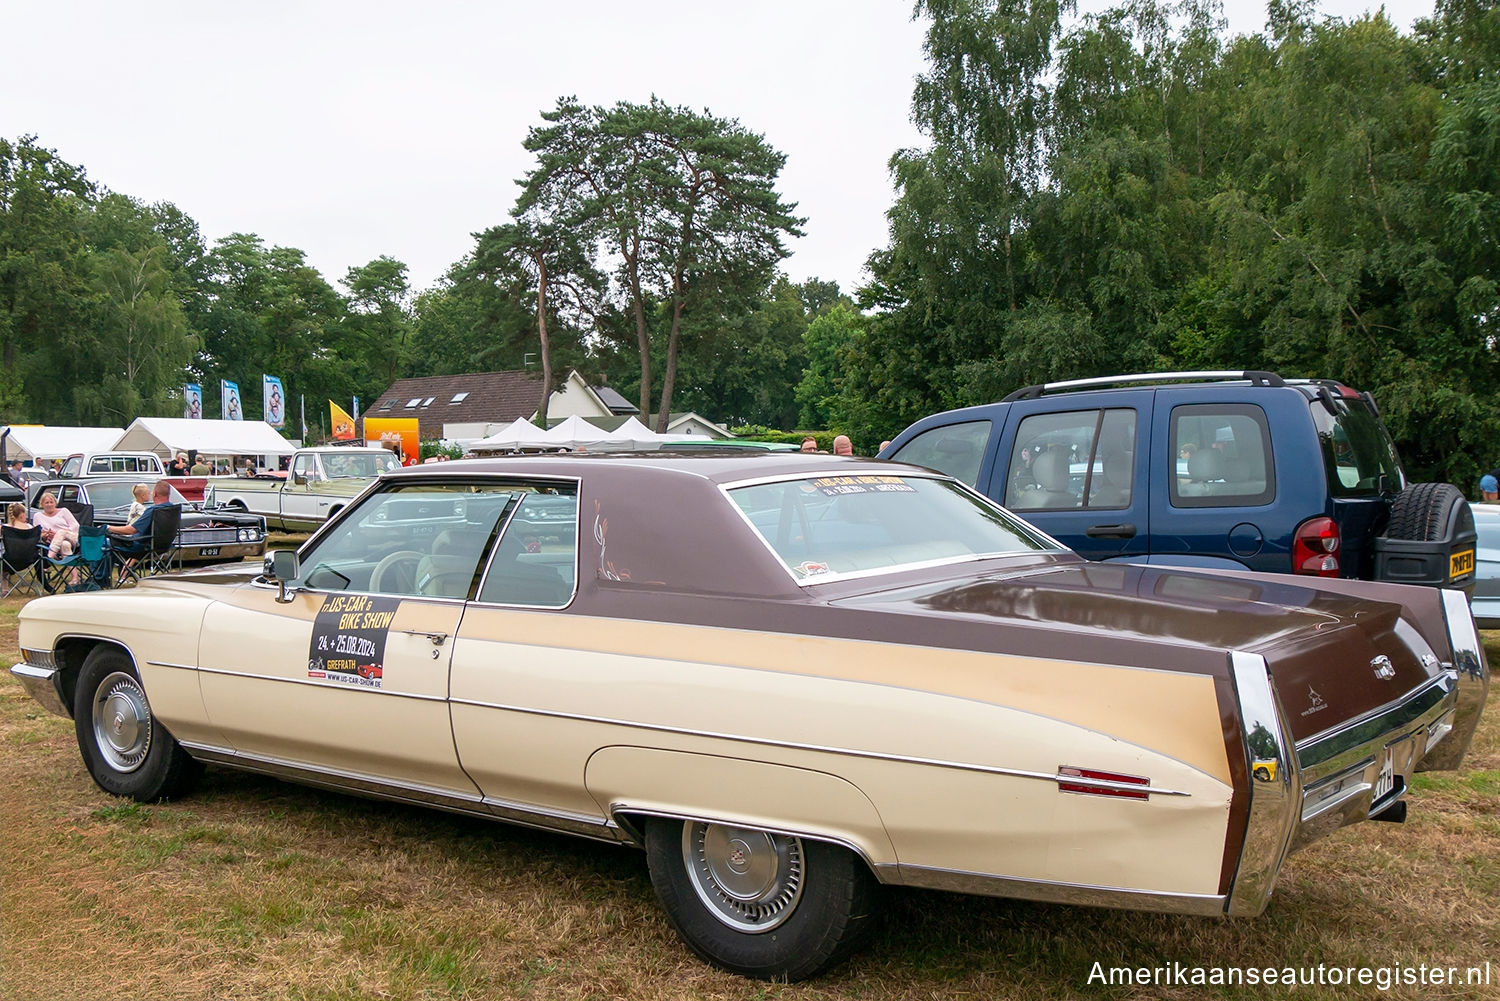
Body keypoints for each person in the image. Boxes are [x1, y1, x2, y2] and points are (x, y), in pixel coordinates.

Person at [108, 481, 174, 550]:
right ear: (169, 494)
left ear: (154, 494)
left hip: (141, 546)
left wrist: (108, 528)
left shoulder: (152, 510)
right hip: (165, 546)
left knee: (105, 543)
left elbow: (132, 530)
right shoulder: (173, 509)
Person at [34, 490, 80, 559]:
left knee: (61, 532)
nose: (49, 504)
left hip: (72, 537)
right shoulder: (38, 516)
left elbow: (76, 526)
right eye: (46, 503)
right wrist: (45, 535)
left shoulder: (63, 511)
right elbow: (37, 533)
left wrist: (58, 534)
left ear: (55, 503)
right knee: (65, 544)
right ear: (42, 504)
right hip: (54, 542)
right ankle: (73, 569)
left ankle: (50, 557)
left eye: (51, 502)